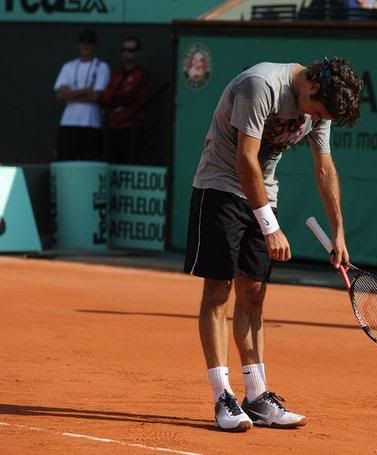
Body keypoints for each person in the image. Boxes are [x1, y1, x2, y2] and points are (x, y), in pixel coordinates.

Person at [183, 57, 363, 431]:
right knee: (219, 292)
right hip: (220, 188)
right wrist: (270, 226)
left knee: (254, 294)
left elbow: (324, 168)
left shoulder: (320, 106)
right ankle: (222, 397)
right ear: (311, 86)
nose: (315, 118)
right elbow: (245, 158)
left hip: (265, 193)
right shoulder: (260, 85)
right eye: (317, 109)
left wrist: (339, 231)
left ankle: (257, 396)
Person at [54, 29, 110, 161]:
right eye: (83, 43)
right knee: (65, 160)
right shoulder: (68, 66)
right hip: (68, 122)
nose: (86, 47)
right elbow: (60, 95)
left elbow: (96, 96)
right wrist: (85, 90)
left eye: (89, 44)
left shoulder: (101, 67)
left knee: (89, 161)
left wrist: (71, 94)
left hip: (91, 123)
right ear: (78, 45)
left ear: (94, 46)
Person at [100, 36, 152, 165]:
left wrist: (115, 99)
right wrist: (116, 99)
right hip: (113, 128)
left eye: (131, 50)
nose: (127, 53)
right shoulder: (116, 75)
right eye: (124, 50)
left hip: (132, 129)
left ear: (138, 53)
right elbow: (105, 97)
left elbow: (132, 96)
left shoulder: (142, 75)